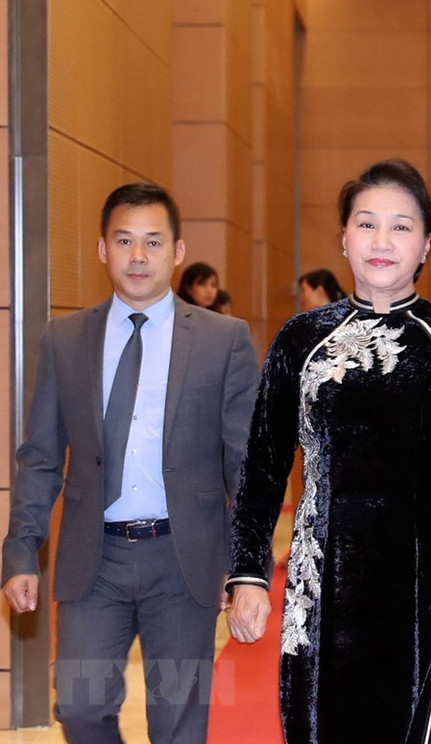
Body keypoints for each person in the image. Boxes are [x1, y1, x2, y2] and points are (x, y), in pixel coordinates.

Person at [225, 159, 431, 744]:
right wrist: (247, 574)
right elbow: (263, 469)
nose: (381, 240)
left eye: (401, 226)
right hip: (322, 579)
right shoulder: (300, 341)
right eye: (366, 224)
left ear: (426, 245)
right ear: (344, 237)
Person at [1, 183, 259, 743]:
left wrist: (246, 567)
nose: (138, 257)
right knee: (79, 709)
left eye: (152, 242)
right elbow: (41, 456)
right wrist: (21, 549)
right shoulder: (65, 340)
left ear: (177, 251)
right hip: (95, 560)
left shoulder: (223, 340)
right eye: (124, 241)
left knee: (176, 726)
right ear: (102, 250)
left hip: (182, 561)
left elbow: (246, 464)